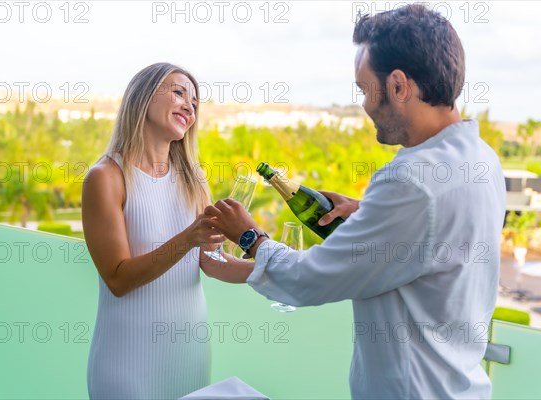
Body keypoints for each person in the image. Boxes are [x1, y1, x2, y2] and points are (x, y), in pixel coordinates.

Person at [205, 4, 506, 399]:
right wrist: (368, 214)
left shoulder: (412, 183)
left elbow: (310, 280)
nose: (364, 105)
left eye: (365, 90)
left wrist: (249, 237)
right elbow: (445, 240)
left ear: (399, 86)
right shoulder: (480, 159)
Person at [82, 62, 252, 399]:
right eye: (178, 92)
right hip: (126, 363)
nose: (189, 105)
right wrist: (189, 237)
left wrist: (273, 263)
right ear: (143, 98)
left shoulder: (194, 178)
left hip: (189, 355)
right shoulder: (106, 177)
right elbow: (118, 279)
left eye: (194, 102)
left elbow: (212, 262)